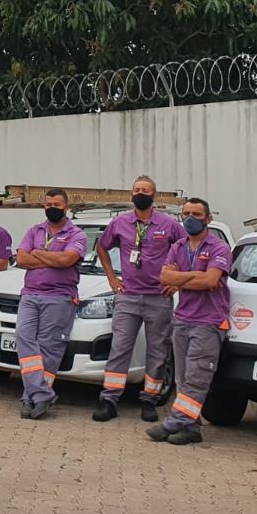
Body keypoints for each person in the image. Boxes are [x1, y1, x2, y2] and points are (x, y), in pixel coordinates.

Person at [93, 176, 188, 423]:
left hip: (159, 298)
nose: (140, 193)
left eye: (145, 190)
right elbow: (101, 247)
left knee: (158, 351)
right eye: (136, 190)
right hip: (128, 297)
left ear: (154, 195)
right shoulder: (120, 222)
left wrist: (176, 282)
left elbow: (186, 251)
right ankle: (109, 399)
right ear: (131, 194)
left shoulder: (169, 224)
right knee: (119, 348)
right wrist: (112, 278)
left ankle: (149, 400)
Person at [147, 197, 232, 446]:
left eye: (196, 214)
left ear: (208, 218)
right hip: (182, 319)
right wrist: (196, 275)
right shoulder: (178, 246)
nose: (190, 218)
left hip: (208, 322)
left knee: (196, 378)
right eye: (186, 213)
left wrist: (181, 279)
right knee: (182, 380)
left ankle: (174, 423)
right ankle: (191, 428)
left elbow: (210, 281)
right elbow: (164, 277)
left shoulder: (218, 248)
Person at [15, 189, 88, 420]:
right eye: (48, 204)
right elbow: (20, 259)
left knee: (49, 349)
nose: (52, 208)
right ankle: (43, 393)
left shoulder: (77, 234)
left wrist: (37, 253)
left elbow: (67, 260)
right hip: (30, 294)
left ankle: (31, 398)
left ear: (66, 207)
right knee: (23, 338)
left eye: (57, 204)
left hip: (59, 297)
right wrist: (51, 259)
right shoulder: (34, 230)